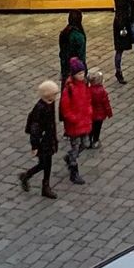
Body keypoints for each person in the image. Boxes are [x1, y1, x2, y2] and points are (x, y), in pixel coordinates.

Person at [19, 80, 60, 199]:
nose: (56, 96)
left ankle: (43, 184)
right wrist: (35, 146)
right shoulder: (40, 108)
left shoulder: (50, 103)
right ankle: (30, 178)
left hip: (49, 138)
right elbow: (35, 129)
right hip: (43, 141)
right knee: (44, 164)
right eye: (54, 93)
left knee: (47, 164)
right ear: (47, 94)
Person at [59, 57, 91, 185]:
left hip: (85, 121)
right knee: (76, 145)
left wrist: (89, 111)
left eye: (83, 73)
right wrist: (74, 118)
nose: (82, 75)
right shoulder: (69, 89)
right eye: (79, 74)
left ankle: (71, 157)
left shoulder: (85, 84)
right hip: (74, 124)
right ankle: (73, 170)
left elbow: (88, 99)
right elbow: (65, 108)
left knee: (85, 144)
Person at [58, 10, 87, 82]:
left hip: (65, 67)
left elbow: (62, 53)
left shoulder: (64, 33)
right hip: (76, 69)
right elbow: (81, 55)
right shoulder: (79, 36)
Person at [87, 69, 112, 149]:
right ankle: (95, 141)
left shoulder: (88, 91)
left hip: (91, 114)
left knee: (91, 128)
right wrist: (109, 112)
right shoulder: (102, 91)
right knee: (97, 129)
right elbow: (106, 103)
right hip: (100, 115)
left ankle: (89, 141)